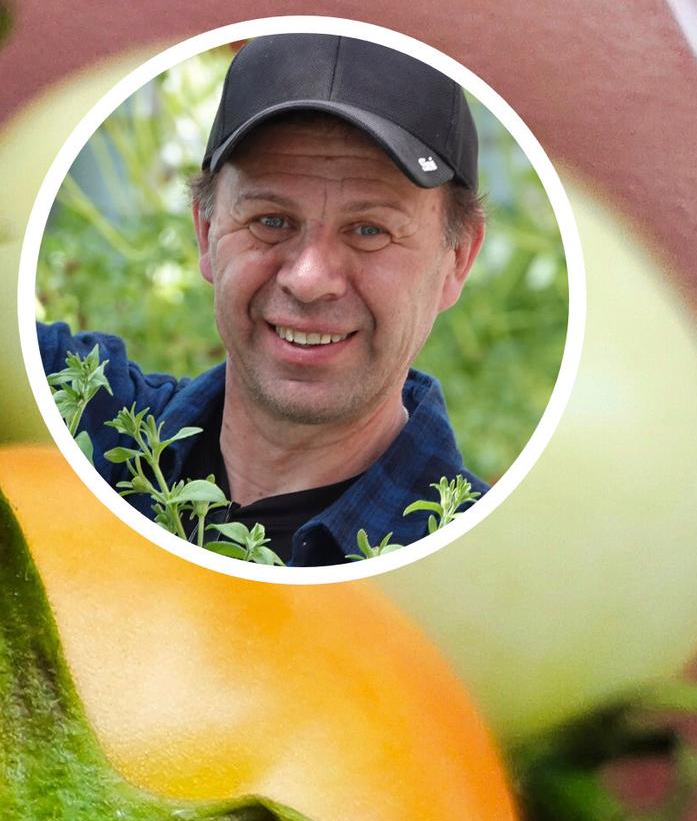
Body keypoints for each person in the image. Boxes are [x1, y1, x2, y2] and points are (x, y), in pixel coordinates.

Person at [43, 33, 488, 566]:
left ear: (457, 258)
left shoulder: (476, 562)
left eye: (370, 230)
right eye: (270, 221)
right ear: (206, 231)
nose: (307, 279)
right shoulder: (84, 415)